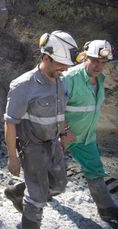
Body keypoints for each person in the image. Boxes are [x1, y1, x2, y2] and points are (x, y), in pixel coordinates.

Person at [3, 31, 79, 228]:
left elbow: (59, 112)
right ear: (46, 57)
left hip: (53, 143)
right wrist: (13, 157)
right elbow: (10, 123)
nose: (64, 69)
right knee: (37, 197)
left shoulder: (61, 81)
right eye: (61, 64)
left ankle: (17, 191)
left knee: (59, 185)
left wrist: (63, 133)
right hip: (32, 146)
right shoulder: (23, 85)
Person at [62, 40, 118, 222]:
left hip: (86, 138)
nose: (98, 66)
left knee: (95, 170)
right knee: (47, 172)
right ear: (85, 57)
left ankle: (107, 209)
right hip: (61, 136)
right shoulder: (69, 78)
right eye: (94, 60)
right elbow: (52, 107)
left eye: (103, 62)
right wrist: (62, 132)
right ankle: (23, 193)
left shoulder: (101, 79)